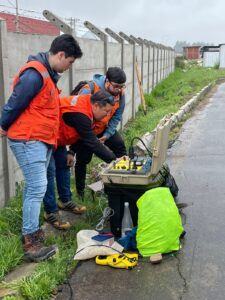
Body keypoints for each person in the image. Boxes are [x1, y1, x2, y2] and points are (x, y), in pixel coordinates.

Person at [0, 34, 83, 262]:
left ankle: (33, 231)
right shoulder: (35, 74)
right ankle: (31, 243)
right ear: (61, 55)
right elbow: (15, 102)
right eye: (70, 61)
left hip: (40, 139)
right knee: (37, 187)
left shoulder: (47, 75)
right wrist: (2, 123)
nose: (69, 66)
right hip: (29, 139)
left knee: (34, 188)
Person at [43, 90, 119, 229]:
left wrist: (71, 151)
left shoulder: (87, 106)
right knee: (49, 172)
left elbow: (80, 133)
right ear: (96, 105)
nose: (106, 116)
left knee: (64, 165)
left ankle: (65, 201)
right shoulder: (81, 113)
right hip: (45, 136)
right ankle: (50, 211)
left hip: (57, 138)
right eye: (106, 111)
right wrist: (114, 160)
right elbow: (91, 141)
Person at [72, 67, 127, 199]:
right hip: (86, 131)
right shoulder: (88, 90)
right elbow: (79, 117)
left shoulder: (120, 94)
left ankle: (124, 183)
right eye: (116, 86)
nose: (119, 90)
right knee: (83, 159)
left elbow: (116, 116)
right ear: (107, 82)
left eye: (122, 86)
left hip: (103, 128)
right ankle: (80, 194)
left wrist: (107, 134)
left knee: (120, 146)